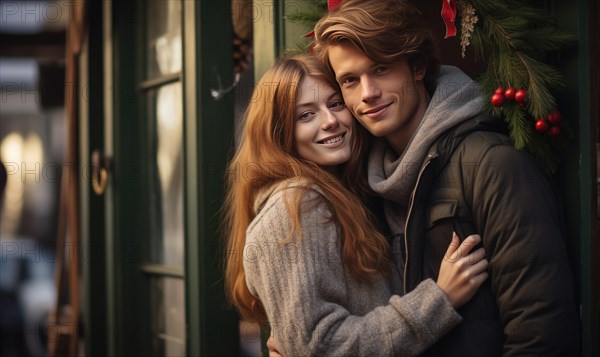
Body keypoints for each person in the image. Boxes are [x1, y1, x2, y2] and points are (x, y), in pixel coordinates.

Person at [312, 0, 580, 356]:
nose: (367, 93)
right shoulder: (364, 186)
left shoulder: (491, 164)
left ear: (417, 66)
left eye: (381, 68)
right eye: (350, 80)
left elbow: (542, 329)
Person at [223, 54, 490, 356]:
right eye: (306, 115)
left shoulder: (346, 192)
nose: (331, 121)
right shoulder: (296, 204)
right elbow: (319, 346)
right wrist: (439, 299)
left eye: (335, 104)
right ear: (279, 133)